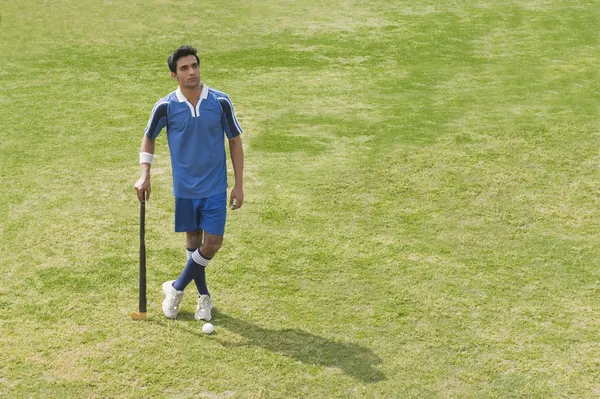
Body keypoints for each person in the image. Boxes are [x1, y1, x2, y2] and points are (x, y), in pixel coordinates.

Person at [134, 45, 244, 321]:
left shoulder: (220, 102)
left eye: (194, 65)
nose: (192, 71)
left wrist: (239, 184)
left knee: (213, 243)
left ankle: (176, 287)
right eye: (184, 68)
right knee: (193, 242)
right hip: (184, 190)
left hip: (215, 188)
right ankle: (204, 298)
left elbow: (234, 140)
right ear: (174, 75)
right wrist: (144, 173)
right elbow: (149, 137)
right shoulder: (165, 106)